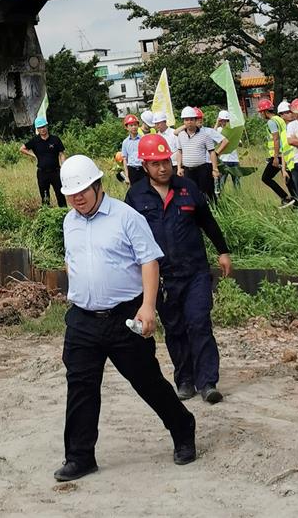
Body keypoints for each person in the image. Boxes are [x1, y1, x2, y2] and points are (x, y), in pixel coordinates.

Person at [54, 154, 196, 483]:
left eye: (83, 191)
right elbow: (71, 261)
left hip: (124, 316)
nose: (77, 198)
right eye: (71, 194)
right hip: (83, 320)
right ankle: (80, 456)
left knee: (146, 381)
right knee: (80, 386)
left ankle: (183, 428)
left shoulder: (126, 217)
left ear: (97, 185)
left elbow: (149, 262)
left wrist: (147, 307)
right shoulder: (69, 222)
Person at [126, 133, 232, 406]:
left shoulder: (187, 188)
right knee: (175, 329)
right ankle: (184, 380)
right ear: (144, 166)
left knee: (199, 322)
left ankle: (207, 382)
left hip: (195, 270)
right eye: (155, 163)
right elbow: (126, 237)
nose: (163, 168)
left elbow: (207, 221)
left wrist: (222, 251)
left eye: (166, 161)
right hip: (162, 278)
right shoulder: (136, 196)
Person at [174, 107, 222, 200]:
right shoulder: (181, 135)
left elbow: (211, 152)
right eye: (186, 120)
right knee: (190, 194)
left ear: (196, 120)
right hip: (188, 170)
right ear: (183, 121)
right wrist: (179, 167)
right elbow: (179, 151)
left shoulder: (204, 135)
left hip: (202, 169)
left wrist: (215, 169)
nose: (189, 122)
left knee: (206, 194)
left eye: (191, 119)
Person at [258, 99, 295, 207]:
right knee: (288, 177)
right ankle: (296, 201)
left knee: (266, 178)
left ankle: (285, 197)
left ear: (264, 112)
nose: (260, 115)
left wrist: (275, 157)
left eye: (260, 113)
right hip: (285, 154)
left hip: (278, 155)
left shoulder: (271, 122)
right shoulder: (279, 119)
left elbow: (276, 139)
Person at [21, 116, 66, 204]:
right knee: (45, 196)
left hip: (55, 172)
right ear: (37, 129)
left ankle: (63, 213)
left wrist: (64, 165)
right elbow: (22, 148)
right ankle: (46, 214)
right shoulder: (35, 141)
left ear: (47, 126)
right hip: (42, 173)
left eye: (44, 126)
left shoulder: (55, 139)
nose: (43, 129)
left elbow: (61, 153)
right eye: (40, 127)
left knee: (60, 194)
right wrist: (34, 156)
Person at [214, 110, 242, 194]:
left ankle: (239, 199)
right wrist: (216, 124)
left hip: (234, 160)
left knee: (237, 184)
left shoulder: (232, 130)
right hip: (223, 160)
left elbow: (240, 143)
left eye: (226, 121)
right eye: (222, 120)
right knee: (221, 183)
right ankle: (220, 200)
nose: (224, 122)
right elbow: (212, 136)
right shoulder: (219, 130)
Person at [119, 116, 144, 186]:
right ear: (127, 127)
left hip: (143, 169)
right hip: (132, 170)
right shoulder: (125, 142)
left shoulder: (143, 139)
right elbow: (125, 159)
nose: (134, 127)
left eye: (135, 125)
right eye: (131, 125)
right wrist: (127, 176)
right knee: (134, 192)